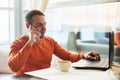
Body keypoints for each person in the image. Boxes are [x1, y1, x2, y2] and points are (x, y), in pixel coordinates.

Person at [8, 10, 100, 75]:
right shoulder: (17, 43)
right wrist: (30, 43)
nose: (44, 28)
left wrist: (83, 55)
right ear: (28, 26)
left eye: (45, 24)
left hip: (44, 77)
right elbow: (14, 67)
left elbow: (67, 56)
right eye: (39, 25)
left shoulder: (50, 41)